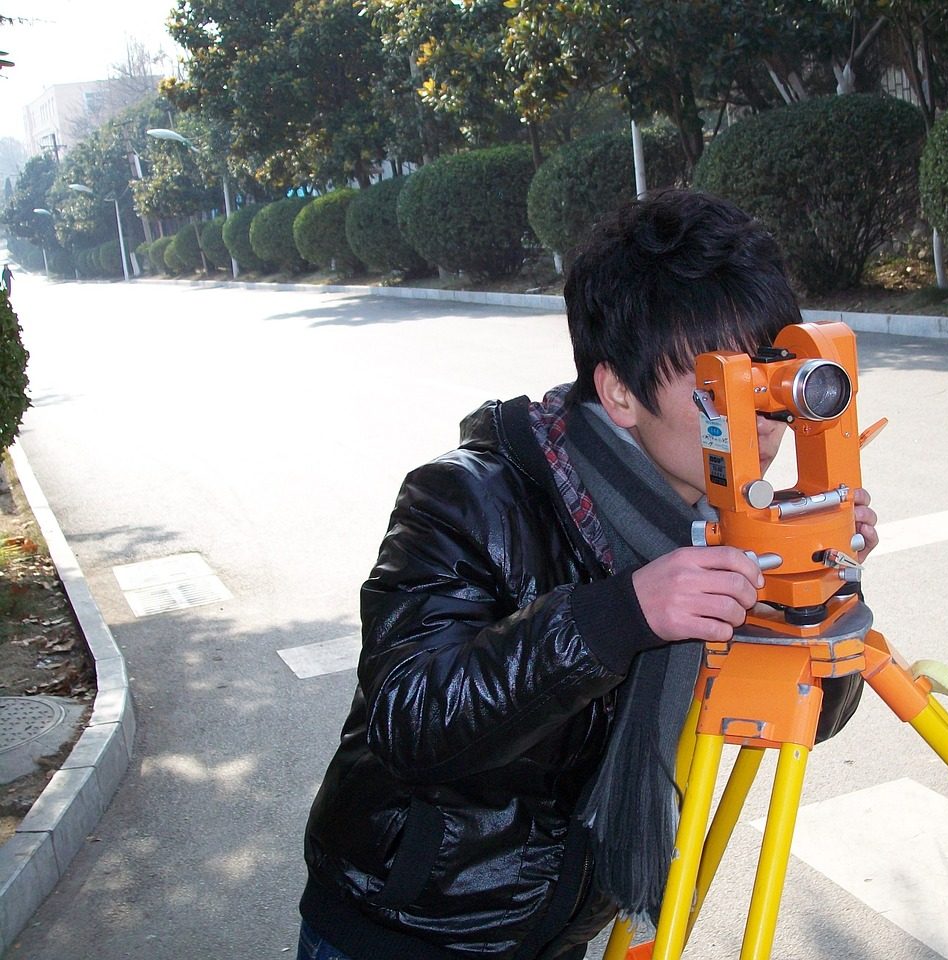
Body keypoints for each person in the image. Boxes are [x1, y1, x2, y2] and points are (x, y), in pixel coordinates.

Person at [298, 190, 880, 960]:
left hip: (563, 931)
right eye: (719, 388)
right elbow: (412, 720)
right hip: (410, 932)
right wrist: (618, 617)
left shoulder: (728, 519)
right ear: (617, 391)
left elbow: (812, 715)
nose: (764, 419)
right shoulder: (467, 498)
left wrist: (818, 579)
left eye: (770, 378)